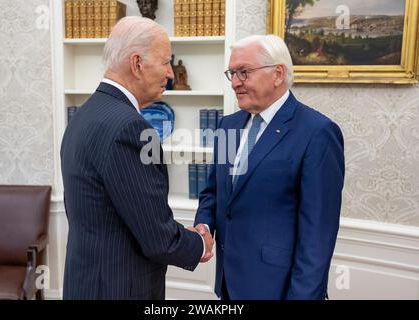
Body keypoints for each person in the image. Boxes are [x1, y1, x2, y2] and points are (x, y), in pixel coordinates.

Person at [61, 16, 213, 300]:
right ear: (137, 64)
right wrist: (199, 244)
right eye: (166, 62)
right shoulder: (131, 128)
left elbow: (115, 214)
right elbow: (158, 240)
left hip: (86, 283)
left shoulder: (83, 114)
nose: (170, 73)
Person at [194, 34, 345, 300]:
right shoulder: (227, 126)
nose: (235, 83)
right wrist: (204, 226)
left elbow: (317, 236)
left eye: (244, 72)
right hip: (229, 284)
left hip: (279, 290)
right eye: (232, 73)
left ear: (278, 74)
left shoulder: (318, 132)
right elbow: (214, 192)